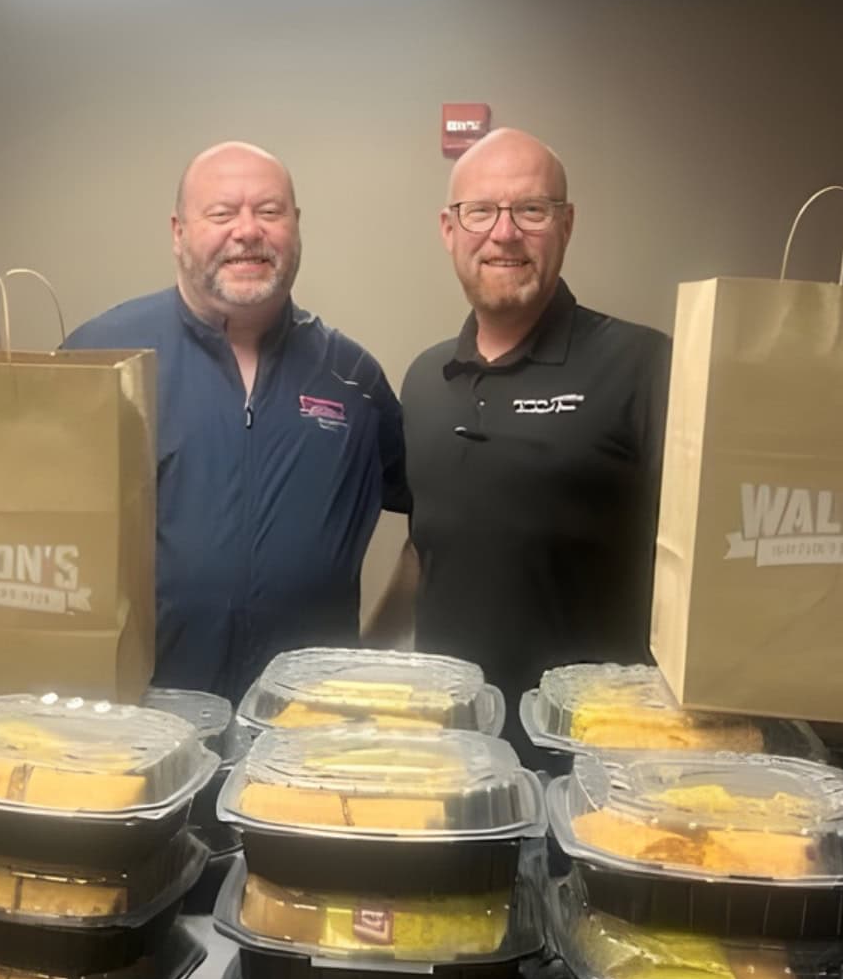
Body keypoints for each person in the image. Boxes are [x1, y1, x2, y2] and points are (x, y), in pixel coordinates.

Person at [65, 141, 409, 699]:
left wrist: (378, 650)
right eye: (221, 213)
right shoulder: (100, 358)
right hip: (139, 718)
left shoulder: (352, 377)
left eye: (269, 212)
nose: (247, 231)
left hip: (304, 727)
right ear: (178, 232)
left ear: (296, 227)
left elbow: (438, 521)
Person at [367, 128, 670, 743]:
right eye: (479, 211)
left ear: (566, 224)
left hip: (592, 753)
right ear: (449, 230)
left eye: (531, 210)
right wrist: (370, 659)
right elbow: (425, 546)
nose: (503, 233)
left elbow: (704, 565)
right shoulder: (425, 378)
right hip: (449, 744)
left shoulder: (643, 366)